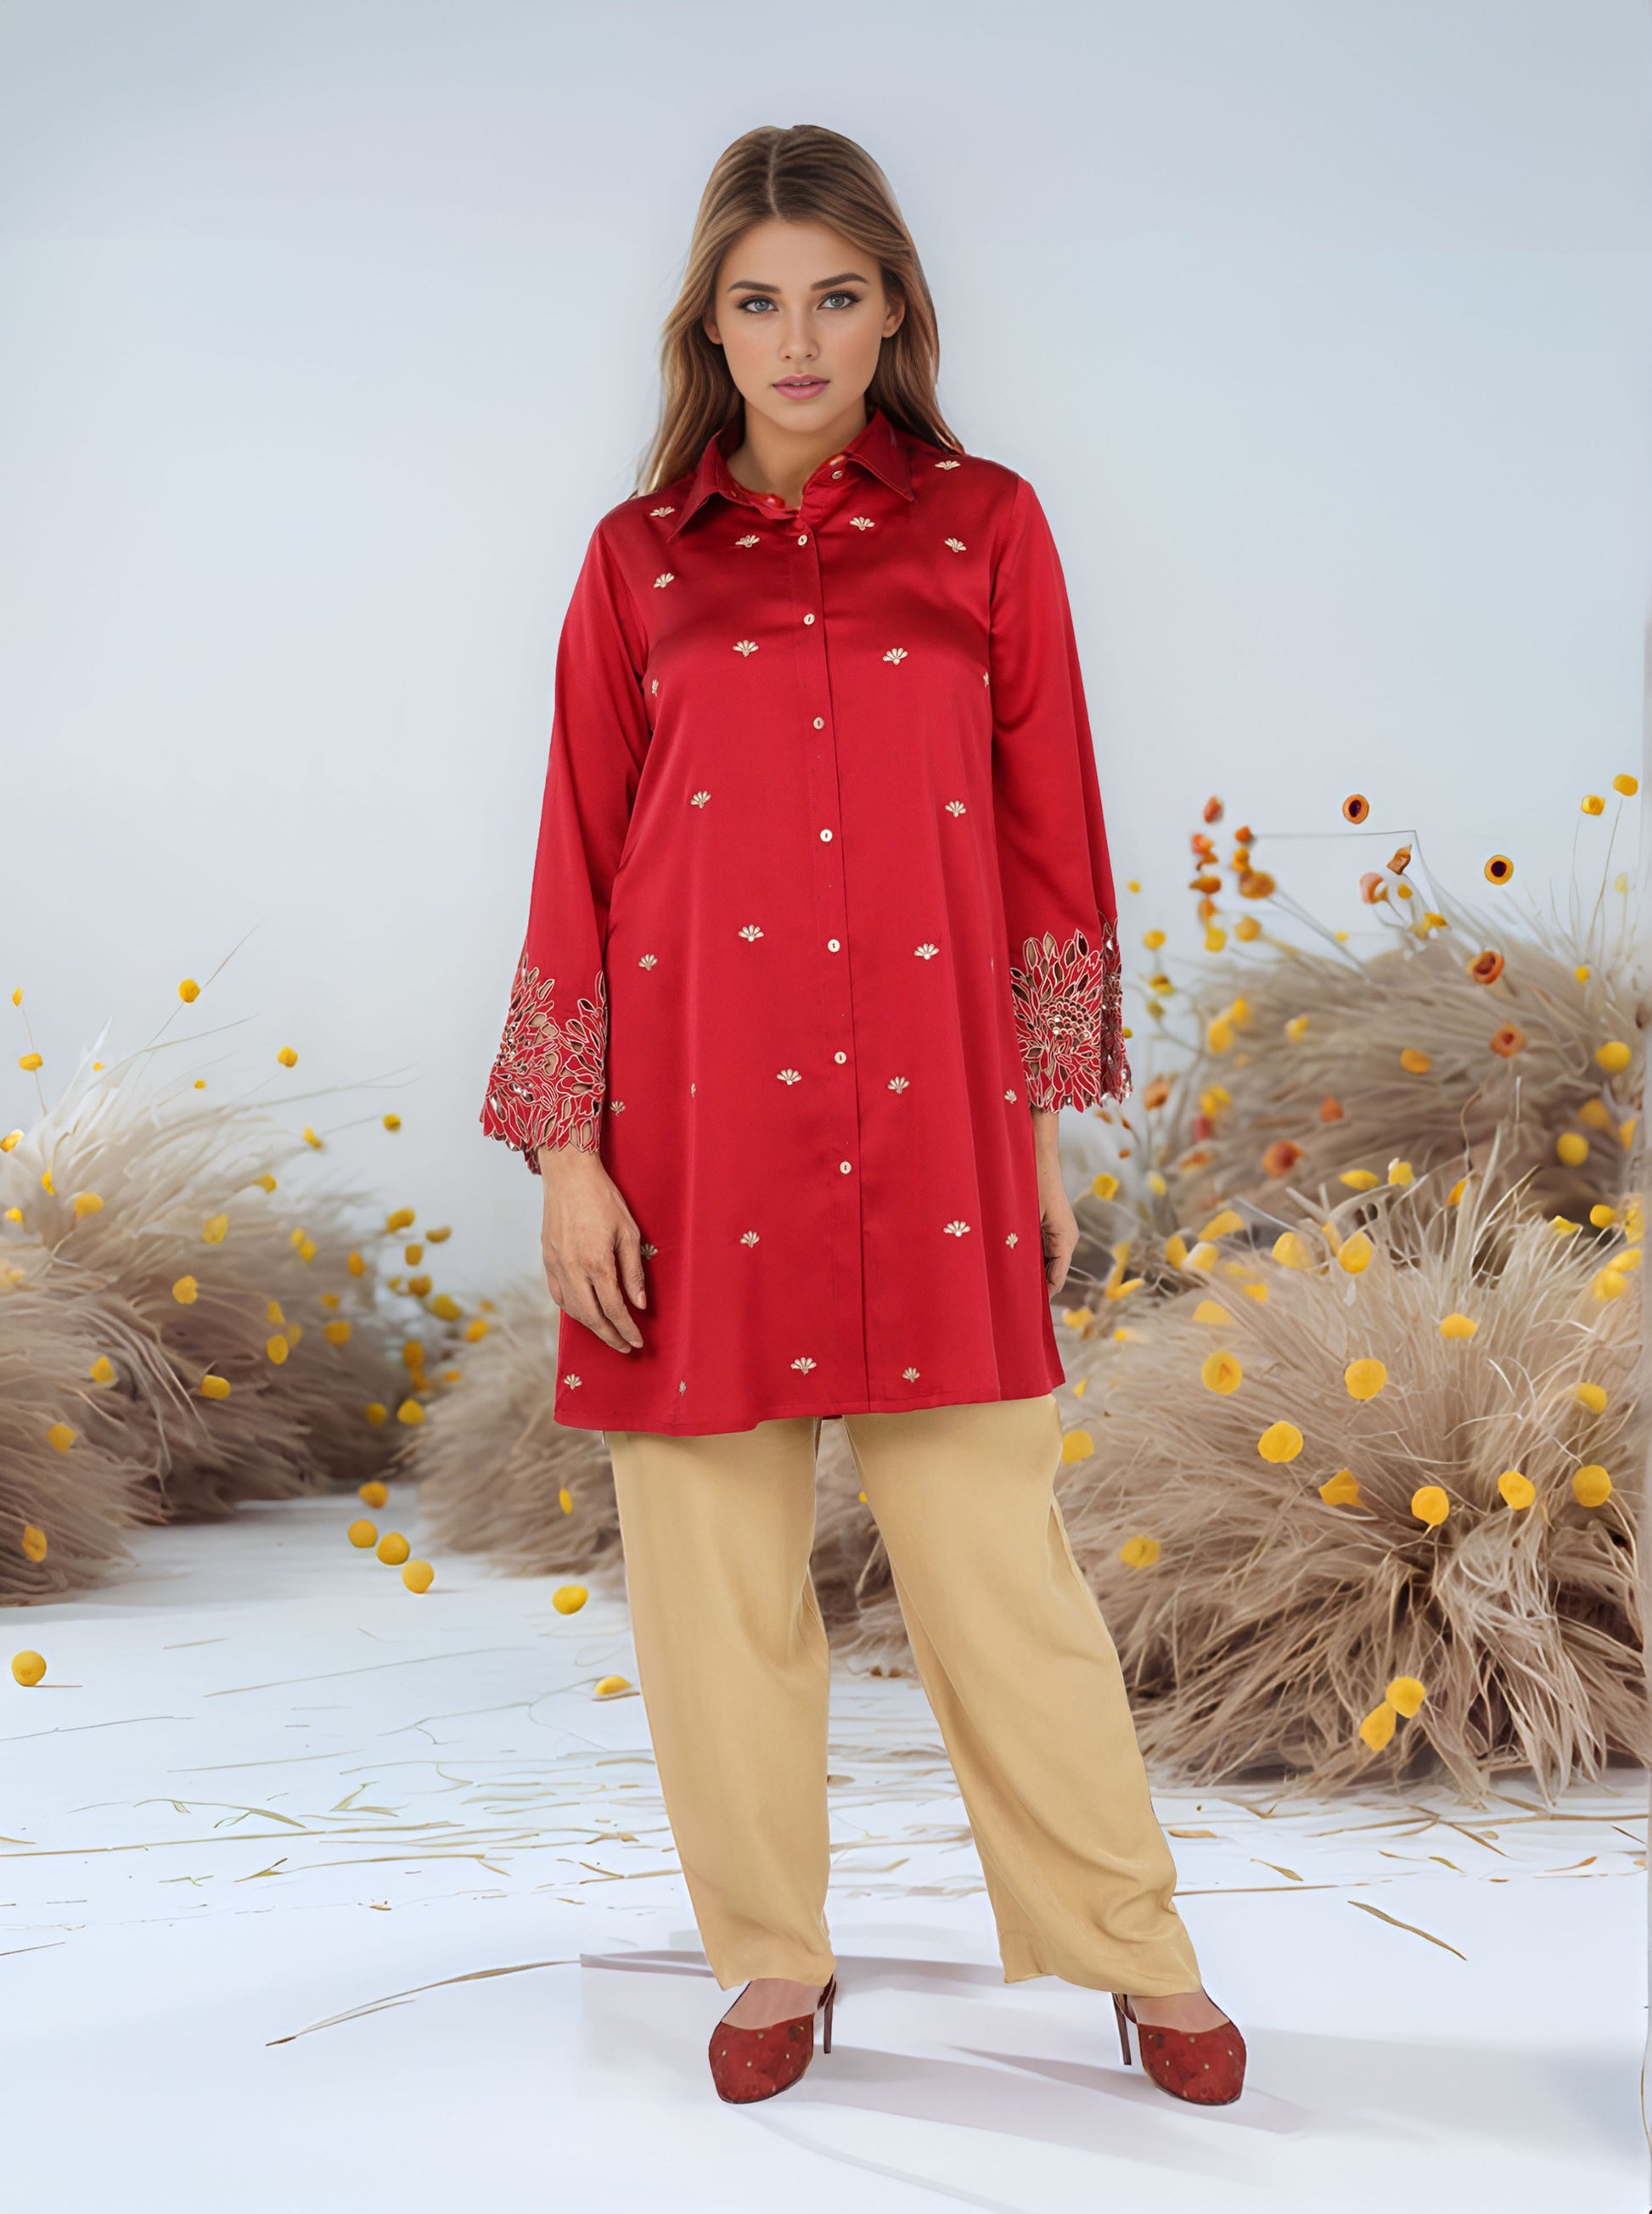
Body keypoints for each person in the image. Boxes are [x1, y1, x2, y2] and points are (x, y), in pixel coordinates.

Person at [480, 122, 1245, 2110]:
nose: (798, 339)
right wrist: (569, 1152)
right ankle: (769, 1955)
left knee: (998, 1562)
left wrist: (1042, 1130)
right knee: (712, 1586)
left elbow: (1051, 835)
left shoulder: (986, 528)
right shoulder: (637, 560)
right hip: (687, 1128)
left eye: (835, 295)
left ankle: (1130, 1946)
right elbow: (576, 854)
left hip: (936, 1126)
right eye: (759, 302)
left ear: (895, 305)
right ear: (709, 326)